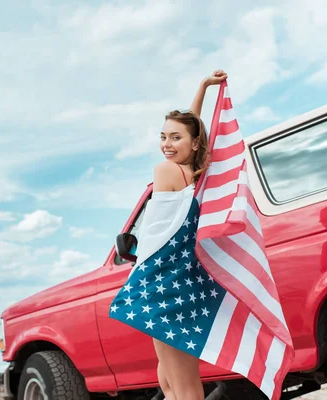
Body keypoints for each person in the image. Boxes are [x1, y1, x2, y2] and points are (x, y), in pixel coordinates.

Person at [110, 70, 228, 400]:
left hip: (161, 282)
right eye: (162, 137)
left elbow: (191, 130)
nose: (166, 144)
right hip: (176, 282)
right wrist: (203, 88)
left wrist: (202, 92)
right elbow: (192, 128)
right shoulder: (196, 175)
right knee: (170, 379)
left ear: (193, 142)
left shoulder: (166, 171)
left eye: (174, 138)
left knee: (182, 385)